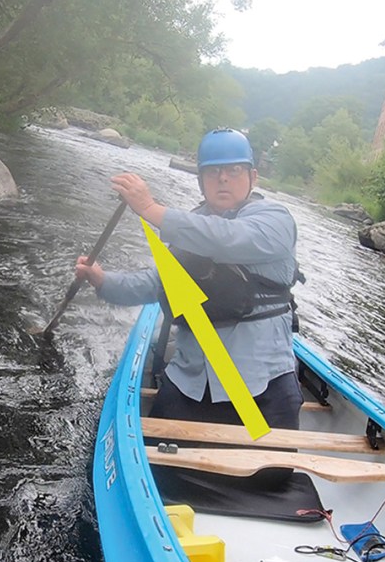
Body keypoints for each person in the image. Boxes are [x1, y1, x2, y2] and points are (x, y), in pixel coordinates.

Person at [74, 128, 303, 431]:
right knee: (161, 447)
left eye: (234, 170)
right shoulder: (191, 227)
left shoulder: (275, 221)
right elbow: (156, 283)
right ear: (201, 181)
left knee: (269, 463)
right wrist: (103, 280)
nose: (223, 178)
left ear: (253, 177)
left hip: (263, 387)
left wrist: (150, 209)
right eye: (213, 172)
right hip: (191, 380)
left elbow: (227, 239)